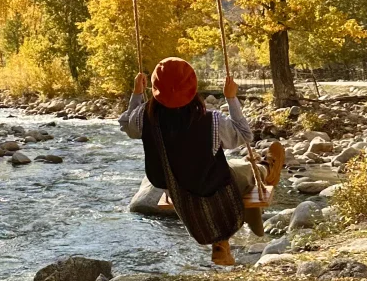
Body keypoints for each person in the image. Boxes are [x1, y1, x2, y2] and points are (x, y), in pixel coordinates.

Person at [119, 57, 284, 267]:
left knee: (227, 167)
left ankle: (221, 243)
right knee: (241, 169)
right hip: (216, 190)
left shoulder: (143, 117)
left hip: (177, 192)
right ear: (193, 87)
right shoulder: (211, 120)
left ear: (155, 87)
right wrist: (231, 98)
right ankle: (267, 169)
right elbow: (245, 135)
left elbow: (126, 125)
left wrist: (136, 94)